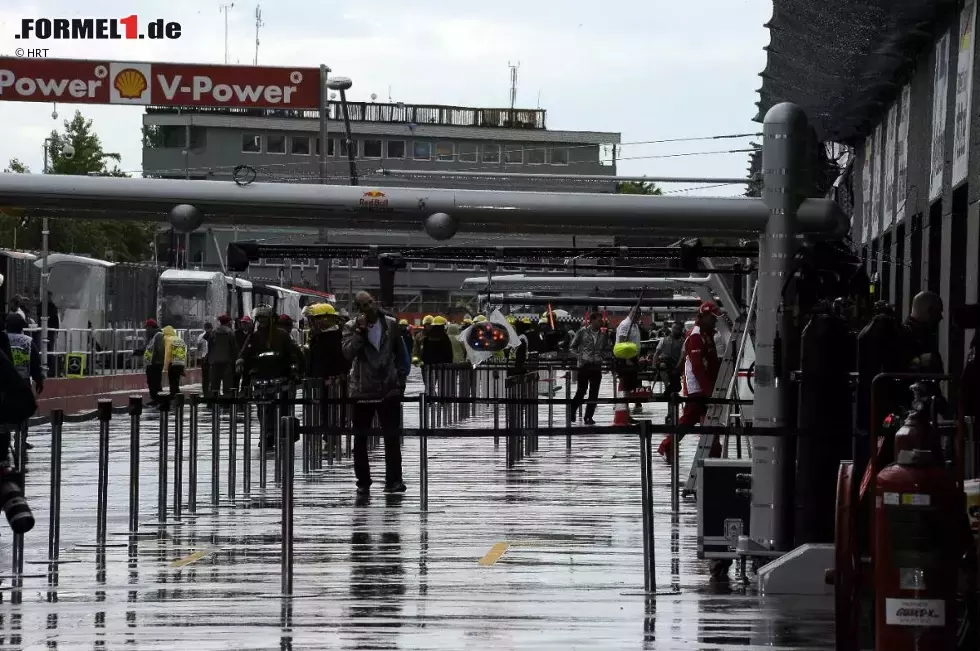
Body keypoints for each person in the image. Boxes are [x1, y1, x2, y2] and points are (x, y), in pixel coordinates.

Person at [342, 291, 410, 495]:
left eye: (370, 302)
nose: (369, 307)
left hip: (388, 387)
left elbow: (402, 353)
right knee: (360, 438)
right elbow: (347, 353)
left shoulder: (390, 324)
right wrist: (359, 334)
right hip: (362, 389)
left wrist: (400, 381)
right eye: (363, 305)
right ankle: (363, 480)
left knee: (391, 436)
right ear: (357, 309)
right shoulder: (350, 327)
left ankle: (394, 480)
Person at [658, 302, 723, 463]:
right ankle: (667, 445)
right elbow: (697, 367)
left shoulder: (706, 334)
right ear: (704, 316)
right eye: (713, 318)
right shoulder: (696, 336)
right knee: (690, 419)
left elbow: (711, 363)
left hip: (704, 386)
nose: (716, 321)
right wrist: (709, 390)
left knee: (701, 419)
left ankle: (714, 452)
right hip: (698, 387)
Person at [239, 305, 303, 450]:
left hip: (280, 379)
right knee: (263, 409)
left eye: (264, 319)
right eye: (259, 319)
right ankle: (266, 434)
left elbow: (292, 355)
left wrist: (294, 371)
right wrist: (243, 370)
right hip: (261, 380)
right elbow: (246, 357)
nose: (261, 322)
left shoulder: (282, 336)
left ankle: (279, 433)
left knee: (281, 408)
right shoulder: (253, 337)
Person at [568, 311, 610, 425]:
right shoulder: (582, 332)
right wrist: (580, 357)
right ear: (591, 320)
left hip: (596, 365)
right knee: (581, 391)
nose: (601, 322)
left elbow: (607, 349)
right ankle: (572, 410)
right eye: (598, 320)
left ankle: (588, 417)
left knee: (594, 393)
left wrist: (602, 356)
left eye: (601, 320)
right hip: (584, 365)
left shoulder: (603, 334)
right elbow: (572, 347)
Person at [615, 306, 644, 414]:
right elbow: (622, 341)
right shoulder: (625, 324)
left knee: (630, 384)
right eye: (635, 312)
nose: (637, 315)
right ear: (630, 312)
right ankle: (622, 410)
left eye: (639, 313)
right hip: (625, 357)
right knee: (625, 384)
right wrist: (627, 359)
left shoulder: (635, 325)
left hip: (633, 356)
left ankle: (626, 410)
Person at [208, 314, 239, 399]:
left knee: (214, 386)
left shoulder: (213, 332)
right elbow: (234, 348)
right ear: (228, 322)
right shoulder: (230, 332)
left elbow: (210, 347)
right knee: (227, 386)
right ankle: (226, 404)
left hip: (214, 362)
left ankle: (213, 403)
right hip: (227, 362)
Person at [652, 319, 686, 396]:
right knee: (662, 365)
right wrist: (654, 366)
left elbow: (682, 356)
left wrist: (677, 368)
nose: (675, 330)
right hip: (663, 362)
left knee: (677, 387)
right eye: (674, 328)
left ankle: (669, 389)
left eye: (677, 329)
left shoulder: (683, 341)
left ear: (681, 330)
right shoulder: (663, 339)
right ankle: (668, 387)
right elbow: (656, 353)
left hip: (675, 365)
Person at [141, 319, 164, 406]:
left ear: (151, 327)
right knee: (151, 382)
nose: (146, 330)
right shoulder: (152, 336)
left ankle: (158, 399)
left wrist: (156, 360)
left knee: (155, 382)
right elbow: (148, 348)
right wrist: (138, 351)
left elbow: (160, 350)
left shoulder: (158, 335)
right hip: (151, 364)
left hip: (156, 363)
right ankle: (155, 398)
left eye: (147, 328)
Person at [161, 326, 187, 397]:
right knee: (176, 382)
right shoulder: (179, 339)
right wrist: (183, 367)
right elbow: (184, 352)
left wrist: (165, 367)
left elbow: (167, 353)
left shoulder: (167, 339)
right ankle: (179, 399)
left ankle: (173, 399)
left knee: (172, 382)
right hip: (180, 363)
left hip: (172, 363)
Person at [197, 322, 213, 398]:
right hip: (211, 359)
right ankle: (210, 393)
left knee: (205, 378)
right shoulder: (214, 335)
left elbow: (198, 348)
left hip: (204, 359)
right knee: (211, 377)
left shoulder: (200, 336)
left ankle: (206, 393)